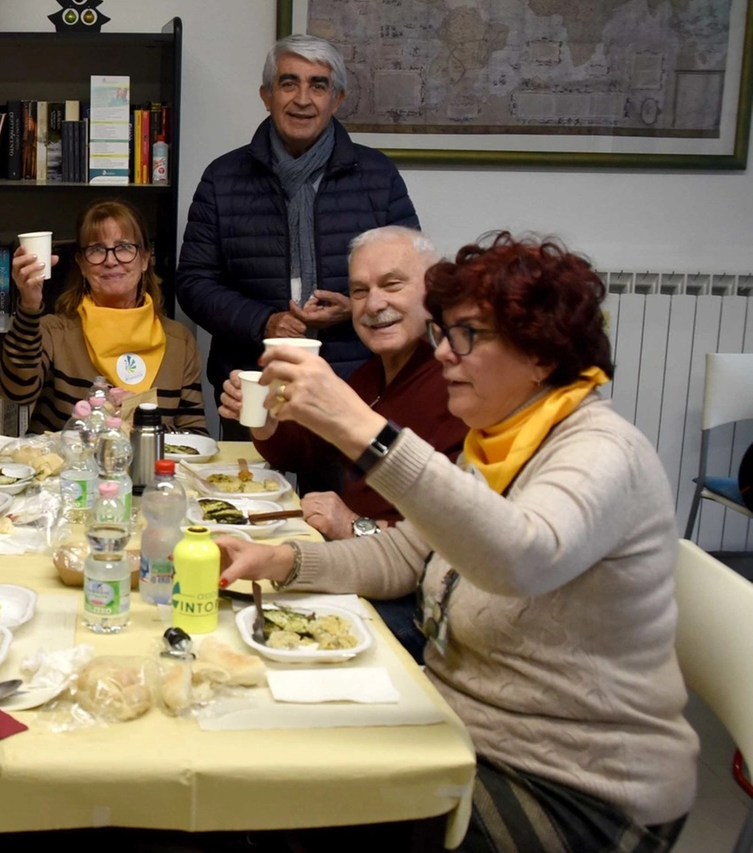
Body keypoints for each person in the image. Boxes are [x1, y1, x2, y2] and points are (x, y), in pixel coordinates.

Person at [218, 232, 698, 851]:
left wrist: (364, 429)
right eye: (443, 334)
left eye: (467, 336)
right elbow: (404, 554)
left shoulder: (600, 450)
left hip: (578, 787)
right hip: (460, 735)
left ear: (541, 352)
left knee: (286, 821)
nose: (443, 354)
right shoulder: (499, 444)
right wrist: (281, 559)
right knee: (261, 779)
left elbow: (520, 557)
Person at [217, 226, 465, 661]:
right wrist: (261, 418)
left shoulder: (456, 391)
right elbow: (306, 453)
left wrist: (352, 524)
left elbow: (440, 548)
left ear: (432, 291)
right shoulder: (370, 376)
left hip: (407, 601)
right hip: (358, 562)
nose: (374, 304)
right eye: (360, 291)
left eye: (391, 285)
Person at [177, 34, 419, 437]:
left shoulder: (377, 176)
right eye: (289, 83)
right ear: (266, 95)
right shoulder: (223, 178)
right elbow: (194, 283)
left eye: (318, 85)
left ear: (336, 99)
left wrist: (357, 306)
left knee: (340, 502)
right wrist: (265, 322)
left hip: (353, 382)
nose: (303, 99)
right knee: (249, 497)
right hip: (253, 379)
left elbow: (410, 280)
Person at [0, 200, 207, 434]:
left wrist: (141, 423)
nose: (110, 260)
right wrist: (29, 303)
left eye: (124, 247)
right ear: (81, 264)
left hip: (147, 469)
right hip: (65, 468)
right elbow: (17, 393)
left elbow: (196, 436)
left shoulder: (180, 341)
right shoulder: (54, 331)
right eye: (97, 249)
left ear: (146, 259)